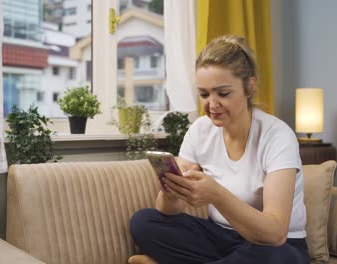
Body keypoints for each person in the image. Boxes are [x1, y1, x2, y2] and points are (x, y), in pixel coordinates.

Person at [129, 34, 310, 264]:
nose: (211, 105)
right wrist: (171, 191)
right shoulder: (200, 130)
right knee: (144, 222)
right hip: (220, 236)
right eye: (204, 94)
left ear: (249, 86)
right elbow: (169, 210)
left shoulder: (277, 136)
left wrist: (216, 194)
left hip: (276, 246)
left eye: (222, 93)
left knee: (277, 258)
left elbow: (274, 233)